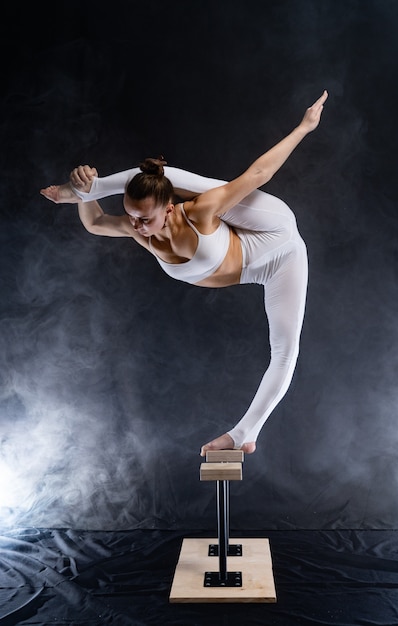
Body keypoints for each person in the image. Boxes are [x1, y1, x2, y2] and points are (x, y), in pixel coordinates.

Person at [41, 90, 328, 456]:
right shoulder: (137, 229)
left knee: (173, 178)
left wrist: (304, 126)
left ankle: (244, 433)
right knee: (144, 180)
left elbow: (260, 173)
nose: (137, 225)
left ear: (170, 208)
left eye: (145, 218)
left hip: (276, 232)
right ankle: (245, 436)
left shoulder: (198, 210)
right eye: (131, 216)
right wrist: (86, 197)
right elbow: (96, 222)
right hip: (269, 268)